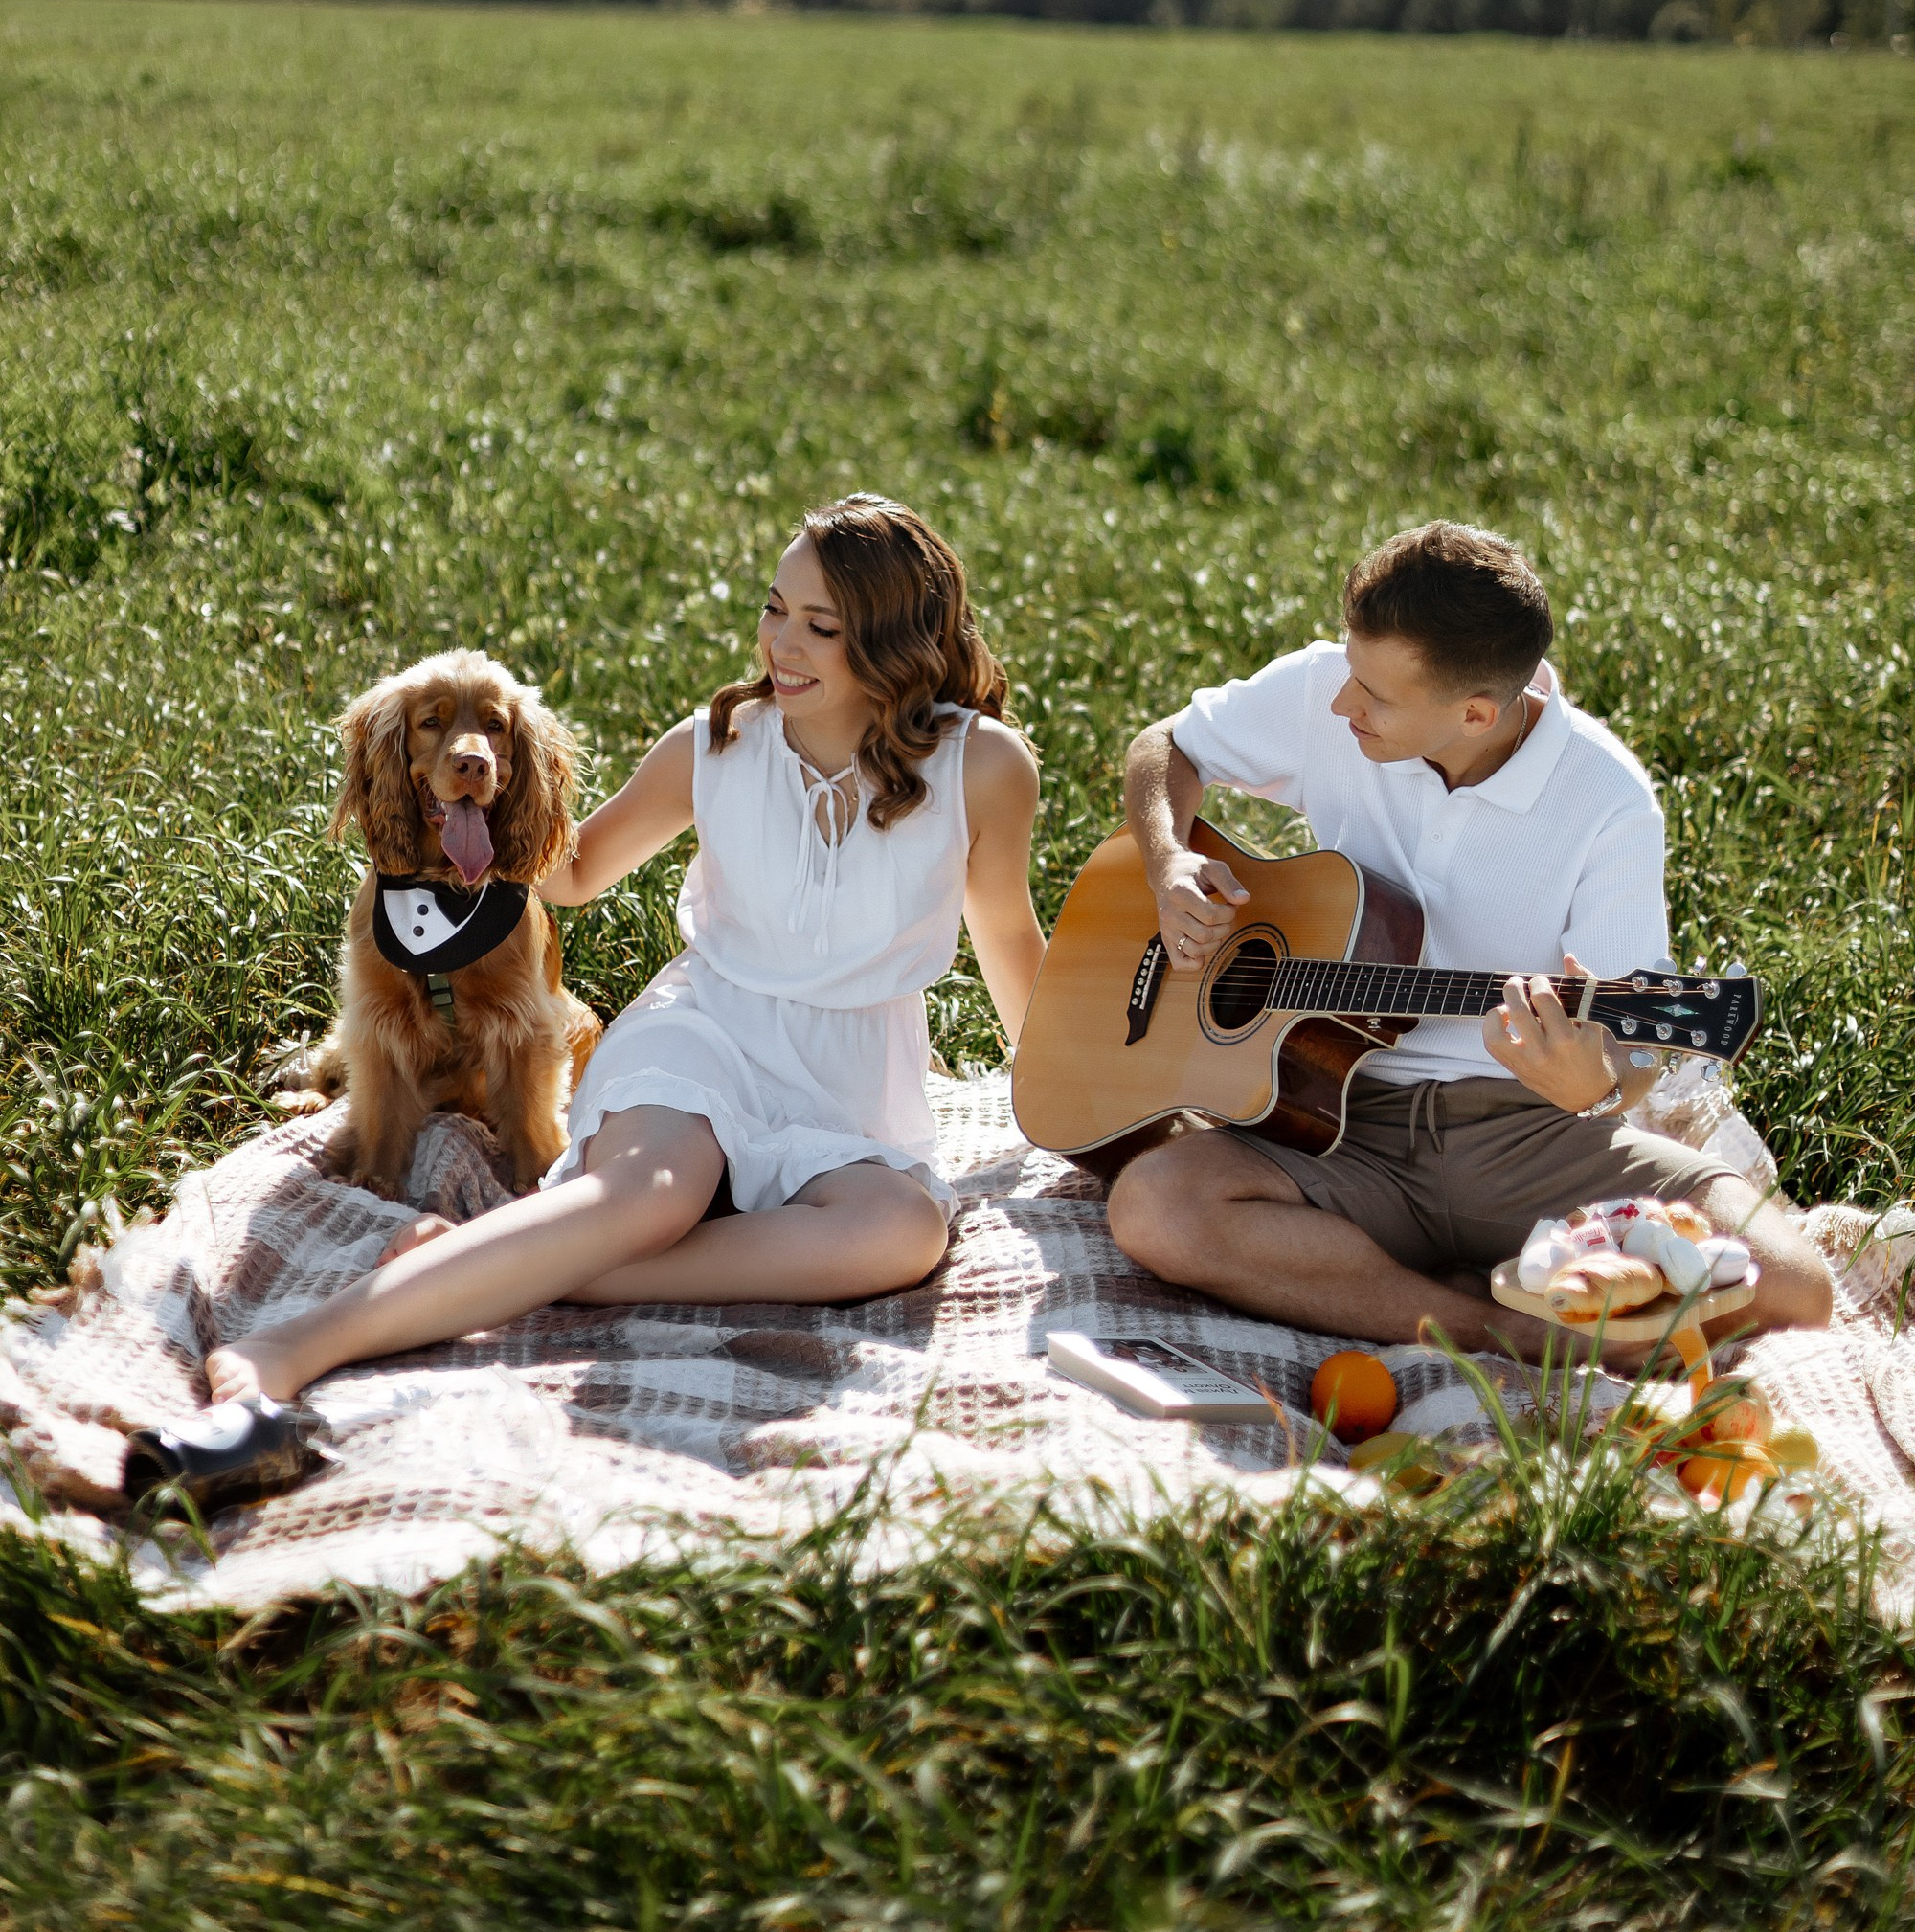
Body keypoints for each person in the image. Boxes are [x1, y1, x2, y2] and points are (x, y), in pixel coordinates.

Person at [208, 494, 1045, 1408]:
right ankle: (297, 1344)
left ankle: (520, 1258)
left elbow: (1006, 936)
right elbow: (569, 872)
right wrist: (478, 786)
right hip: (707, 1031)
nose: (781, 645)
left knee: (904, 1236)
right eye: (773, 609)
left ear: (895, 638)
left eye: (821, 626)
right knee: (655, 1196)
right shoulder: (716, 747)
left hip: (853, 1081)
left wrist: (1068, 1102)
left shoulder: (984, 768)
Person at [1106, 520, 1831, 1360]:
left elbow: (1632, 1056)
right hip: (1332, 1119)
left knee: (1791, 1286)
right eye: (1349, 673)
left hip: (1530, 1141)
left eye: (1374, 696)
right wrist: (1167, 860)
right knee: (1154, 1207)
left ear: (1476, 711)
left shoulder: (1607, 801)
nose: (1342, 703)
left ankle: (1395, 1283)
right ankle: (1493, 1323)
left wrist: (1592, 1086)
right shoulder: (1326, 692)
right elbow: (1167, 746)